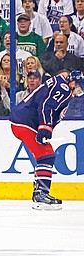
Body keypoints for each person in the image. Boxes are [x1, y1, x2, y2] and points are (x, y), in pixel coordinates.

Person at [9, 70, 84, 210]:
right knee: (46, 156)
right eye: (79, 86)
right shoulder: (64, 88)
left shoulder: (59, 84)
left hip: (24, 121)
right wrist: (45, 127)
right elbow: (46, 106)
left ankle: (39, 193)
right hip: (25, 122)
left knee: (46, 155)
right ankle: (41, 195)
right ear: (73, 83)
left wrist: (45, 127)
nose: (79, 91)